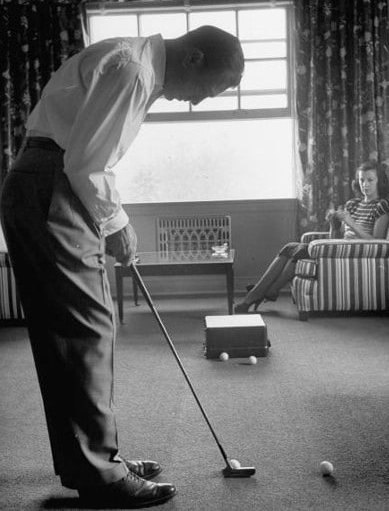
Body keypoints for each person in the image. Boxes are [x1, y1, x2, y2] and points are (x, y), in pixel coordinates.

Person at [0, 26, 244, 508]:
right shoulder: (134, 70)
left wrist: (108, 220)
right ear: (193, 58)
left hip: (45, 183)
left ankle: (93, 461)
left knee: (76, 332)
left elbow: (85, 156)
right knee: (84, 329)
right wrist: (118, 225)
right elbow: (88, 164)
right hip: (53, 185)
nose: (196, 102)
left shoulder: (133, 61)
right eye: (206, 91)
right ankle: (100, 476)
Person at [234, 159, 389, 314]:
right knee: (292, 250)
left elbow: (378, 242)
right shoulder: (352, 204)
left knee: (294, 249)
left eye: (370, 180)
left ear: (380, 181)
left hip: (358, 253)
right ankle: (267, 292)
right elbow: (336, 238)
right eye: (362, 180)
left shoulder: (381, 205)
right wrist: (333, 224)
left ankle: (255, 295)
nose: (365, 185)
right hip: (341, 250)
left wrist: (350, 222)